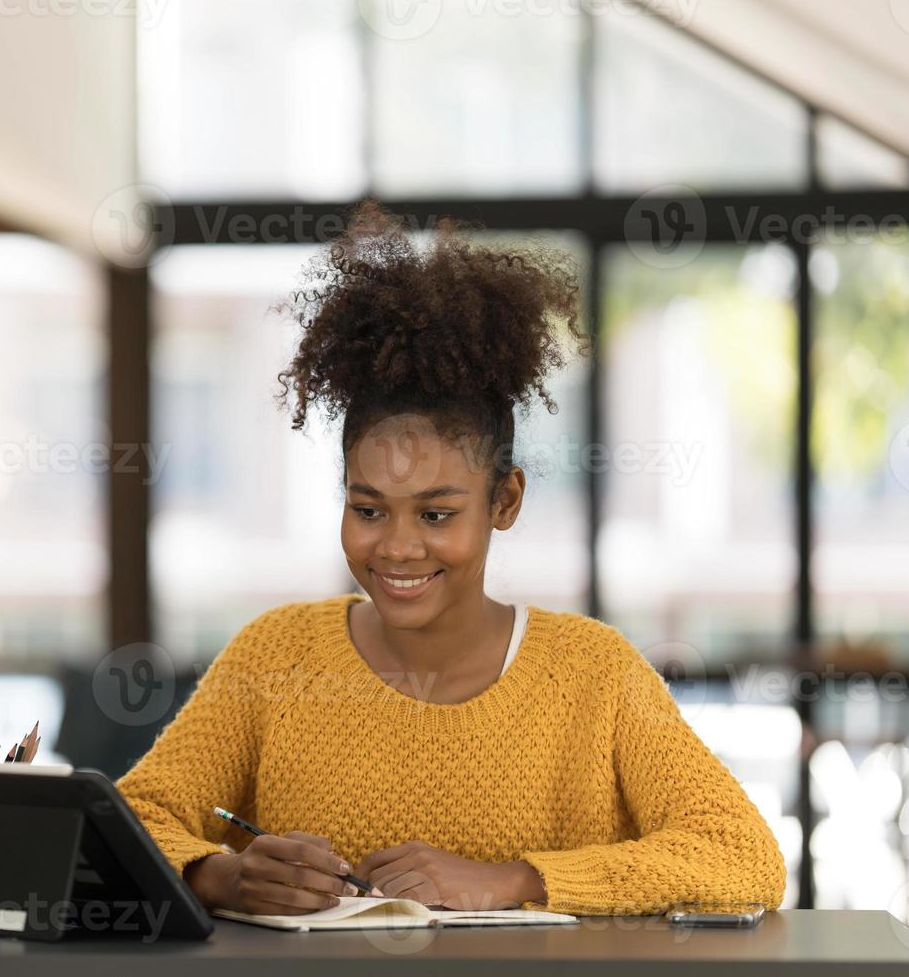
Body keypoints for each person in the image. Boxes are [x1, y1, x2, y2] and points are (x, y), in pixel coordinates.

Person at [115, 202, 786, 917]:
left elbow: (743, 857)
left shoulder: (595, 675)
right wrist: (217, 874)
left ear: (505, 501)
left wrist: (511, 880)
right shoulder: (276, 655)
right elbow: (127, 821)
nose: (397, 547)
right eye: (368, 509)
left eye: (437, 514)